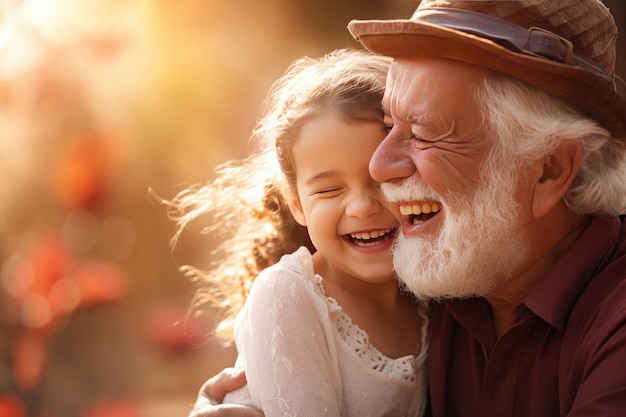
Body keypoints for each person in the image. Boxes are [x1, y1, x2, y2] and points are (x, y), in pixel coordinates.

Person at [194, 0, 626, 416]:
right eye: (389, 125)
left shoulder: (611, 323)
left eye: (424, 133)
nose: (380, 166)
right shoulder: (435, 281)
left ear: (548, 169)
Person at [168, 49, 429, 417]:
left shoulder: (430, 294)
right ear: (297, 205)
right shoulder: (288, 296)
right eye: (328, 190)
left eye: (383, 179)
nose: (361, 206)